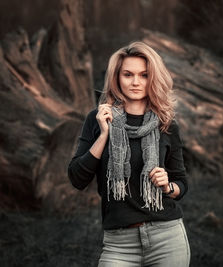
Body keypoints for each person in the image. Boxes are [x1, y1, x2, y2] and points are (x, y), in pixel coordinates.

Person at [68, 41, 190, 266]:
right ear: (116, 77)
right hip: (118, 243)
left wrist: (168, 186)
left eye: (144, 75)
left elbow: (181, 182)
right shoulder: (97, 119)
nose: (136, 82)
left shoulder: (166, 124)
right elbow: (77, 178)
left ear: (153, 78)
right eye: (128, 74)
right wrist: (104, 135)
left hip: (167, 238)